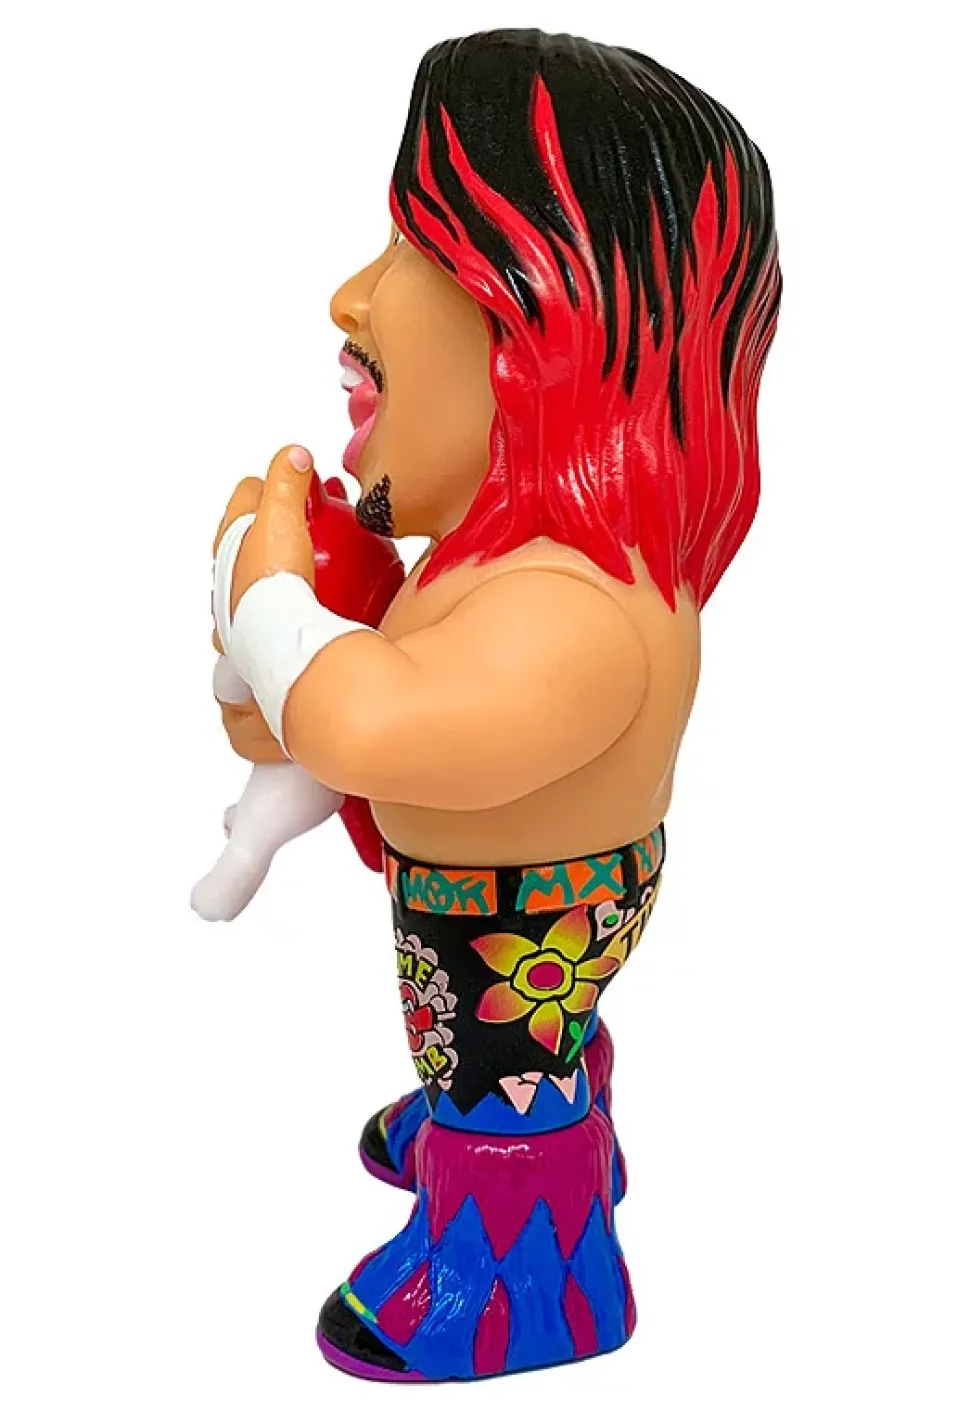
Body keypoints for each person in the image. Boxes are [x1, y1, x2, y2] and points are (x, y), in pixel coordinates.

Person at [209, 28, 780, 1383]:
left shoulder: (575, 611)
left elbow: (361, 727)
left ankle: (525, 1273)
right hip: (498, 914)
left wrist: (272, 595)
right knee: (502, 1041)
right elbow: (342, 724)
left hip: (525, 921)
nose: (352, 295)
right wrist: (286, 656)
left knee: (503, 1060)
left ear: (536, 329)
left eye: (410, 248)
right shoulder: (506, 564)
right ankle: (519, 1102)